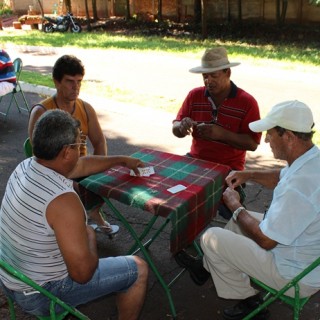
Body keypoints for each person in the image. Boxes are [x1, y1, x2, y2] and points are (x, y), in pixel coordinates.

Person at [0, 109, 148, 319]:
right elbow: (82, 274)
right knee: (138, 269)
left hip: (10, 278)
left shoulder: (26, 167)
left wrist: (122, 160)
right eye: (80, 146)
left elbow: (82, 165)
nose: (82, 150)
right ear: (67, 152)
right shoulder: (63, 200)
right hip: (40, 295)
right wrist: (90, 238)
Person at [180, 100, 320, 319]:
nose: (266, 140)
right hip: (301, 253)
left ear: (289, 137)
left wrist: (235, 206)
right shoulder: (311, 160)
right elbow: (281, 177)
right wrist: (250, 174)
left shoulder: (299, 188)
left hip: (293, 274)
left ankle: (249, 300)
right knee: (237, 224)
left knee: (211, 237)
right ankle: (205, 267)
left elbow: (266, 240)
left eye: (270, 134)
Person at [28, 54, 115, 233]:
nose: (76, 87)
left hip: (82, 166)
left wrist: (98, 169)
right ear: (56, 82)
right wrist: (67, 178)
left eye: (79, 81)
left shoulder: (86, 108)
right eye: (69, 81)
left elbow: (99, 141)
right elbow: (38, 157)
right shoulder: (41, 112)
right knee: (77, 189)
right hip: (55, 171)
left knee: (111, 179)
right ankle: (80, 221)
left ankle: (93, 212)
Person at [172, 47, 262, 219]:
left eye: (214, 75)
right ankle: (184, 239)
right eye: (205, 76)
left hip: (229, 168)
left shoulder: (247, 102)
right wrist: (181, 127)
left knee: (232, 209)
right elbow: (176, 128)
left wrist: (222, 134)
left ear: (227, 72)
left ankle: (229, 241)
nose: (208, 81)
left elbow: (252, 144)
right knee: (173, 194)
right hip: (196, 160)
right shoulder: (195, 95)